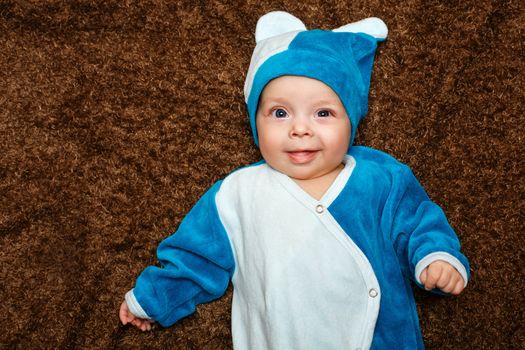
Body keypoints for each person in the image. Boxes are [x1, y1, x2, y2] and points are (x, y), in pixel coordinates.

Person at [119, 11, 469, 349]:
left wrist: (436, 259)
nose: (300, 128)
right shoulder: (238, 194)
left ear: (352, 120)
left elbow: (417, 222)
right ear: (256, 123)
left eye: (323, 113)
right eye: (280, 113)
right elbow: (197, 258)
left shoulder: (380, 178)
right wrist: (154, 301)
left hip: (380, 337)